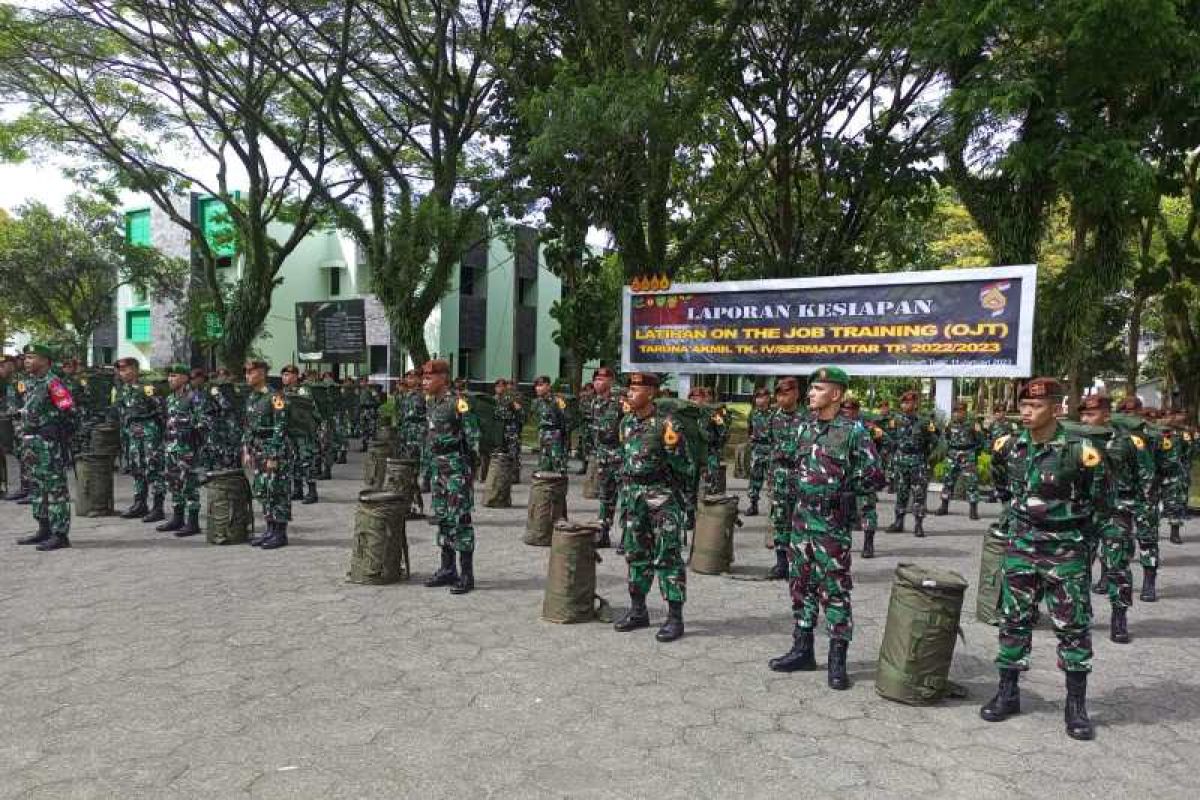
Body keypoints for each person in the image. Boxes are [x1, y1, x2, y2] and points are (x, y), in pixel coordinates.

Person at [981, 378, 1112, 740]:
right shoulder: (1009, 447)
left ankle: (1076, 706)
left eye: (1036, 406)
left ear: (1056, 408)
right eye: (1023, 405)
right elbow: (1006, 490)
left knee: (1073, 628)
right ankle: (1007, 693)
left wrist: (1080, 542)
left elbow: (1102, 501)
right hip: (1022, 547)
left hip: (1065, 550)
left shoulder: (1081, 450)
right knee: (1013, 621)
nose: (1026, 411)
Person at [768, 368, 884, 689]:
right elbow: (792, 463)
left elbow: (875, 475)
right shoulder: (804, 427)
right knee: (800, 584)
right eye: (812, 389)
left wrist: (846, 490)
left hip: (831, 524)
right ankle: (803, 649)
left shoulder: (853, 432)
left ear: (836, 394)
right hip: (801, 519)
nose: (810, 394)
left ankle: (837, 659)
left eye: (818, 388)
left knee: (834, 590)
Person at [612, 372, 695, 642]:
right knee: (636, 553)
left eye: (637, 388)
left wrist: (673, 493)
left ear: (651, 392)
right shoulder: (626, 423)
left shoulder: (667, 425)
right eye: (630, 388)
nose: (630, 393)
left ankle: (674, 617)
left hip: (662, 496)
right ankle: (638, 610)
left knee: (667, 555)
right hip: (633, 496)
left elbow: (685, 465)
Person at [1079, 394, 1153, 643]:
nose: (1086, 419)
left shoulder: (1128, 442)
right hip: (1083, 512)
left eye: (1091, 414)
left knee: (1118, 565)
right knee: (1078, 566)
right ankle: (1080, 612)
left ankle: (1119, 617)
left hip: (1116, 511)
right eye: (1083, 414)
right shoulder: (1076, 441)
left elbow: (1146, 475)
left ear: (1106, 415)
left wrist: (1143, 509)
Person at [421, 359, 482, 594]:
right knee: (443, 519)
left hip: (456, 469)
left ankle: (467, 574)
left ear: (443, 378)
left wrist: (468, 470)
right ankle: (448, 569)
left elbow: (473, 436)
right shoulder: (432, 403)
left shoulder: (459, 403)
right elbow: (429, 438)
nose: (424, 382)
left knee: (460, 520)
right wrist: (426, 469)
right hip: (439, 469)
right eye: (424, 378)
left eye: (429, 378)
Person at [13, 344, 77, 551]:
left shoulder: (53, 383)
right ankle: (43, 528)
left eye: (32, 357)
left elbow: (70, 410)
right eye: (26, 357)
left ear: (45, 360)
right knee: (37, 488)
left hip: (49, 444)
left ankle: (60, 534)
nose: (27, 361)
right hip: (31, 443)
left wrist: (57, 429)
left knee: (56, 489)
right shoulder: (29, 383)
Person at [242, 361, 293, 549]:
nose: (247, 376)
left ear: (261, 373)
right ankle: (270, 530)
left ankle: (280, 533)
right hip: (257, 450)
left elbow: (281, 427)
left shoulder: (275, 397)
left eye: (250, 372)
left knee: (278, 490)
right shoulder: (252, 398)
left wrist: (274, 455)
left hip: (272, 449)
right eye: (246, 372)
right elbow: (248, 426)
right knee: (264, 490)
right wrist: (247, 449)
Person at [155, 364, 207, 536]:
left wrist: (193, 438)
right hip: (171, 447)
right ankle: (178, 517)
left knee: (189, 484)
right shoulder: (170, 399)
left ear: (185, 377)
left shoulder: (194, 397)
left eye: (174, 375)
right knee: (174, 483)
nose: (170, 379)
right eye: (169, 376)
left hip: (187, 448)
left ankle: (193, 522)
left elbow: (204, 423)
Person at [114, 357, 167, 522]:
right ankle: (140, 503)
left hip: (149, 432)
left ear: (135, 369)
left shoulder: (147, 388)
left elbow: (161, 410)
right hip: (131, 433)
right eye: (121, 370)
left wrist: (159, 432)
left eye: (126, 369)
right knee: (137, 469)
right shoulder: (122, 390)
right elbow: (120, 412)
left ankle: (158, 507)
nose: (123, 373)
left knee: (153, 468)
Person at [885, 390, 939, 537]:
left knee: (918, 494)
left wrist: (929, 458)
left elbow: (935, 441)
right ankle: (898, 522)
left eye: (909, 402)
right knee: (901, 492)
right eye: (903, 402)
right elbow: (889, 439)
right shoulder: (895, 420)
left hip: (917, 462)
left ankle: (918, 525)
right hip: (901, 462)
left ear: (915, 404)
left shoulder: (925, 422)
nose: (905, 405)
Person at [767, 377, 805, 579]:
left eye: (786, 393)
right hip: (781, 477)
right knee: (780, 520)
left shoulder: (808, 418)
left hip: (801, 476)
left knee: (801, 521)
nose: (782, 398)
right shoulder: (774, 418)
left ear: (796, 394)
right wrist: (771, 479)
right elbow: (772, 447)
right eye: (779, 394)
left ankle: (799, 564)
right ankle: (781, 564)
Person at [839, 397, 883, 559]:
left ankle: (868, 544)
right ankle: (844, 544)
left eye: (849, 409)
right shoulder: (838, 428)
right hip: (845, 478)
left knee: (867, 510)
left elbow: (874, 453)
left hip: (863, 476)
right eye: (843, 409)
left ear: (856, 411)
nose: (846, 412)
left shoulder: (864, 429)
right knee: (843, 512)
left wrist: (869, 475)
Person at [589, 367, 623, 549]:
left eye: (601, 379)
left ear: (611, 380)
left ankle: (629, 537)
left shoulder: (621, 400)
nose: (597, 382)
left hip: (621, 457)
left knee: (627, 498)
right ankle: (603, 533)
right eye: (595, 379)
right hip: (603, 456)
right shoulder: (596, 402)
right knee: (606, 496)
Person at [935, 401, 985, 519]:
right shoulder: (949, 425)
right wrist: (949, 451)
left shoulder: (973, 425)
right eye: (956, 411)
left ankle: (973, 510)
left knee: (971, 482)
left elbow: (981, 441)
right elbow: (945, 438)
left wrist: (973, 452)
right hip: (952, 455)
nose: (958, 413)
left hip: (968, 455)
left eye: (961, 411)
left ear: (965, 412)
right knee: (948, 480)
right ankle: (944, 506)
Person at [282, 365, 320, 505]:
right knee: (293, 461)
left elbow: (304, 402)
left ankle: (312, 491)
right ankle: (297, 490)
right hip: (291, 431)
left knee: (307, 460)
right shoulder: (284, 392)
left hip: (304, 432)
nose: (285, 377)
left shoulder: (303, 390)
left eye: (288, 374)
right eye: (284, 375)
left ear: (296, 376)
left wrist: (287, 397)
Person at [532, 375, 569, 473]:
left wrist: (563, 437)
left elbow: (566, 419)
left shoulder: (558, 401)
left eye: (541, 385)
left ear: (548, 386)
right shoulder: (537, 402)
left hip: (555, 437)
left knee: (557, 466)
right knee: (544, 465)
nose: (538, 388)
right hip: (542, 436)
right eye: (536, 386)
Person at [745, 388, 773, 517]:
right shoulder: (753, 413)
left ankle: (775, 507)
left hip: (770, 450)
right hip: (757, 449)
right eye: (757, 397)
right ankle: (753, 505)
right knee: (755, 478)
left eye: (762, 397)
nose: (759, 400)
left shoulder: (774, 413)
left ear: (768, 398)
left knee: (772, 480)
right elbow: (749, 429)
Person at [493, 378, 526, 483]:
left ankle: (514, 476)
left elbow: (520, 411)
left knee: (513, 452)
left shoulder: (513, 397)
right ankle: (503, 474)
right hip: (500, 428)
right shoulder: (496, 399)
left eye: (501, 386)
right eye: (497, 386)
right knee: (501, 452)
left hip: (512, 428)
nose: (499, 388)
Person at [575, 381, 595, 475]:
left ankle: (592, 467)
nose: (588, 392)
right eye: (586, 390)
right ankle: (585, 466)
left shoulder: (596, 400)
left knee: (593, 447)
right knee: (584, 447)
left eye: (589, 390)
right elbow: (581, 412)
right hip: (585, 427)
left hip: (594, 427)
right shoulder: (583, 400)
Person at [358, 377, 382, 451]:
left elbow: (378, 400)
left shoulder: (371, 390)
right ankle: (364, 445)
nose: (362, 383)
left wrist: (370, 404)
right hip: (363, 411)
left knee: (371, 429)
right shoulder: (360, 391)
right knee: (363, 429)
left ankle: (372, 446)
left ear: (366, 382)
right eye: (361, 382)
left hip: (370, 411)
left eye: (363, 382)